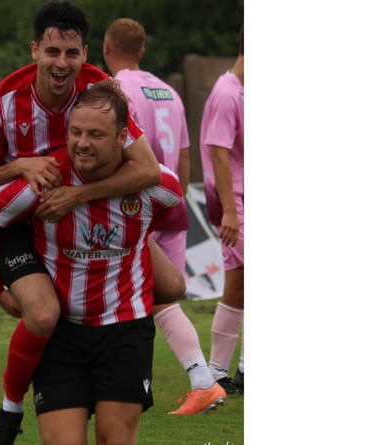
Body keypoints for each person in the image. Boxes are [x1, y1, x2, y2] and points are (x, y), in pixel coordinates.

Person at [0, 2, 186, 443]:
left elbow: (146, 170)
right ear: (35, 51)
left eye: (70, 53)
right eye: (51, 52)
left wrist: (79, 197)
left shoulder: (103, 95)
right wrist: (20, 166)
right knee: (44, 314)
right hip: (26, 213)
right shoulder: (1, 105)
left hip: (78, 203)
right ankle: (10, 414)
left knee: (174, 287)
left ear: (86, 54)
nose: (61, 64)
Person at [102, 17, 227, 415]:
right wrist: (176, 202)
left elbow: (119, 150)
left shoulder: (116, 91)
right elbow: (185, 155)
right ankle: (163, 383)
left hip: (137, 204)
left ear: (106, 49)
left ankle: (203, 381)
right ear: (142, 50)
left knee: (148, 300)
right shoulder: (169, 91)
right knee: (151, 299)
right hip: (169, 202)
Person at [199, 25, 244, 395]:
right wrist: (229, 210)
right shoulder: (228, 92)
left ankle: (217, 373)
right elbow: (218, 151)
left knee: (239, 287)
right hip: (239, 204)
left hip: (244, 201)